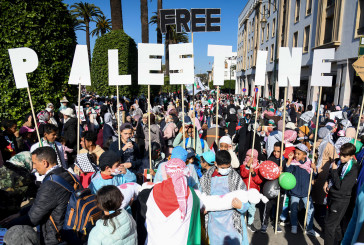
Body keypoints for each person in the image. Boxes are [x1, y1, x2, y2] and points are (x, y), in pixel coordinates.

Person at [0, 147, 77, 245]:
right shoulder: (66, 174)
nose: (34, 167)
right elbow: (42, 203)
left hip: (55, 236)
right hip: (66, 228)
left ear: (45, 163)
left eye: (35, 163)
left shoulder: (50, 185)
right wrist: (20, 213)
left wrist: (7, 226)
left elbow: (32, 218)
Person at [145, 158, 201, 245]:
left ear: (167, 173)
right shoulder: (192, 194)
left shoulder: (154, 190)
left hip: (156, 241)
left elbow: (149, 216)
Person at [200, 150, 249, 245]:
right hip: (214, 226)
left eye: (228, 167)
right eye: (223, 168)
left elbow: (245, 200)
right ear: (215, 164)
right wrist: (202, 207)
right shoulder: (206, 179)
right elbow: (199, 198)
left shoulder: (236, 179)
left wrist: (241, 206)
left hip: (232, 225)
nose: (226, 170)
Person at [323, 143, 359, 245]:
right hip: (332, 196)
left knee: (330, 226)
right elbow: (330, 174)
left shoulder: (353, 168)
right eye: (341, 154)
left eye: (344, 156)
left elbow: (340, 187)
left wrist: (334, 171)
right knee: (335, 224)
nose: (341, 157)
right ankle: (341, 242)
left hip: (340, 200)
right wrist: (326, 182)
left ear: (351, 156)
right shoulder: (338, 162)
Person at [285, 143, 319, 236]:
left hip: (306, 191)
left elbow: (315, 175)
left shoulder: (309, 163)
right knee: (294, 208)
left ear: (305, 155)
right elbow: (287, 172)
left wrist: (315, 169)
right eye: (295, 153)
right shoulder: (293, 163)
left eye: (298, 154)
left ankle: (309, 228)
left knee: (310, 209)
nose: (296, 155)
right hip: (294, 191)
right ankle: (294, 225)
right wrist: (289, 159)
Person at [0, 151, 37, 220]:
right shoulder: (24, 176)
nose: (34, 167)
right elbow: (36, 195)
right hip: (11, 214)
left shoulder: (3, 168)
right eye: (33, 163)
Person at [240, 149, 263, 232]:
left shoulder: (258, 167)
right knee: (243, 206)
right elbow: (243, 174)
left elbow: (259, 181)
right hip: (245, 190)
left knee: (252, 208)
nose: (250, 158)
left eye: (252, 157)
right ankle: (241, 222)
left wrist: (253, 174)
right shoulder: (243, 165)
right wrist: (247, 166)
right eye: (248, 156)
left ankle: (250, 223)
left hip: (254, 191)